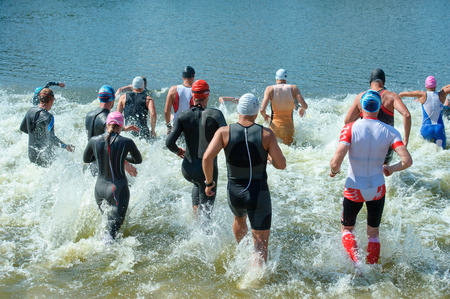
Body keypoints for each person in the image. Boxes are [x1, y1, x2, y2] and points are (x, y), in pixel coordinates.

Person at [330, 90, 412, 266]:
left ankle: (357, 266)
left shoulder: (350, 128)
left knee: (347, 229)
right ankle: (372, 267)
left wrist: (334, 171)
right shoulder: (391, 131)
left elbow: (336, 162)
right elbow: (406, 161)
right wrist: (391, 168)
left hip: (354, 189)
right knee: (373, 233)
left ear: (361, 107)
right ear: (379, 108)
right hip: (377, 190)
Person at [203, 93, 286, 265]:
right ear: (256, 112)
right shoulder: (267, 134)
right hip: (258, 193)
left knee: (239, 219)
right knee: (261, 246)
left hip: (235, 192)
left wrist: (209, 183)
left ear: (238, 110)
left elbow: (206, 158)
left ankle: (242, 254)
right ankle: (254, 282)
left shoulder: (224, 132)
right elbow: (281, 165)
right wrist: (269, 159)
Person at [166, 79, 226, 220]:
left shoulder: (183, 116)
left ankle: (195, 220)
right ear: (207, 95)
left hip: (187, 169)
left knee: (197, 185)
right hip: (207, 171)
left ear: (193, 96)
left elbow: (169, 143)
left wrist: (179, 152)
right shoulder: (216, 115)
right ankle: (203, 232)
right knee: (208, 211)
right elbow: (227, 139)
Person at [83, 111, 143, 240]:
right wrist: (121, 157)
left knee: (106, 224)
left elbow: (87, 159)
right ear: (121, 126)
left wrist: (102, 157)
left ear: (108, 124)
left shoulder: (94, 140)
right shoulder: (127, 142)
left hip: (99, 189)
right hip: (118, 188)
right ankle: (108, 252)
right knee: (114, 230)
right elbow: (138, 160)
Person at [344, 68, 411, 164]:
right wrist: (406, 139)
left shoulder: (361, 97)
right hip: (385, 143)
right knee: (384, 170)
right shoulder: (391, 96)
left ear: (370, 82)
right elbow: (407, 115)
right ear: (383, 82)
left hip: (366, 141)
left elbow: (347, 121)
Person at [85, 85, 140, 176]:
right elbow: (110, 145)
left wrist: (124, 128)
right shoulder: (107, 119)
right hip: (105, 165)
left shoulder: (89, 115)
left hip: (92, 162)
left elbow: (98, 130)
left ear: (99, 98)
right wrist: (126, 164)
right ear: (113, 99)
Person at [20, 88, 74, 167]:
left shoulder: (30, 111)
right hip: (44, 156)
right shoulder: (49, 117)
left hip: (31, 154)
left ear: (39, 98)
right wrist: (66, 146)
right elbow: (51, 138)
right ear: (52, 100)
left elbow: (23, 128)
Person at [260, 69, 308, 145]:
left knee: (273, 153)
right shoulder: (293, 88)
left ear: (276, 77)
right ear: (286, 78)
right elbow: (305, 106)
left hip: (274, 127)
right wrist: (302, 109)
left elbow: (262, 110)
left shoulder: (269, 89)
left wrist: (265, 116)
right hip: (289, 128)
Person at [399, 76, 450, 149]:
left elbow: (401, 94)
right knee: (441, 151)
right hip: (439, 128)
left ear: (426, 86)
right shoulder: (442, 94)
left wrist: (399, 98)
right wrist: (445, 87)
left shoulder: (421, 94)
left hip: (426, 129)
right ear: (435, 85)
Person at [164, 66, 195, 135]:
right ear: (194, 76)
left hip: (177, 125)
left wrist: (168, 126)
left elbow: (166, 111)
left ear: (183, 77)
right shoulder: (196, 91)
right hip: (191, 126)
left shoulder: (173, 89)